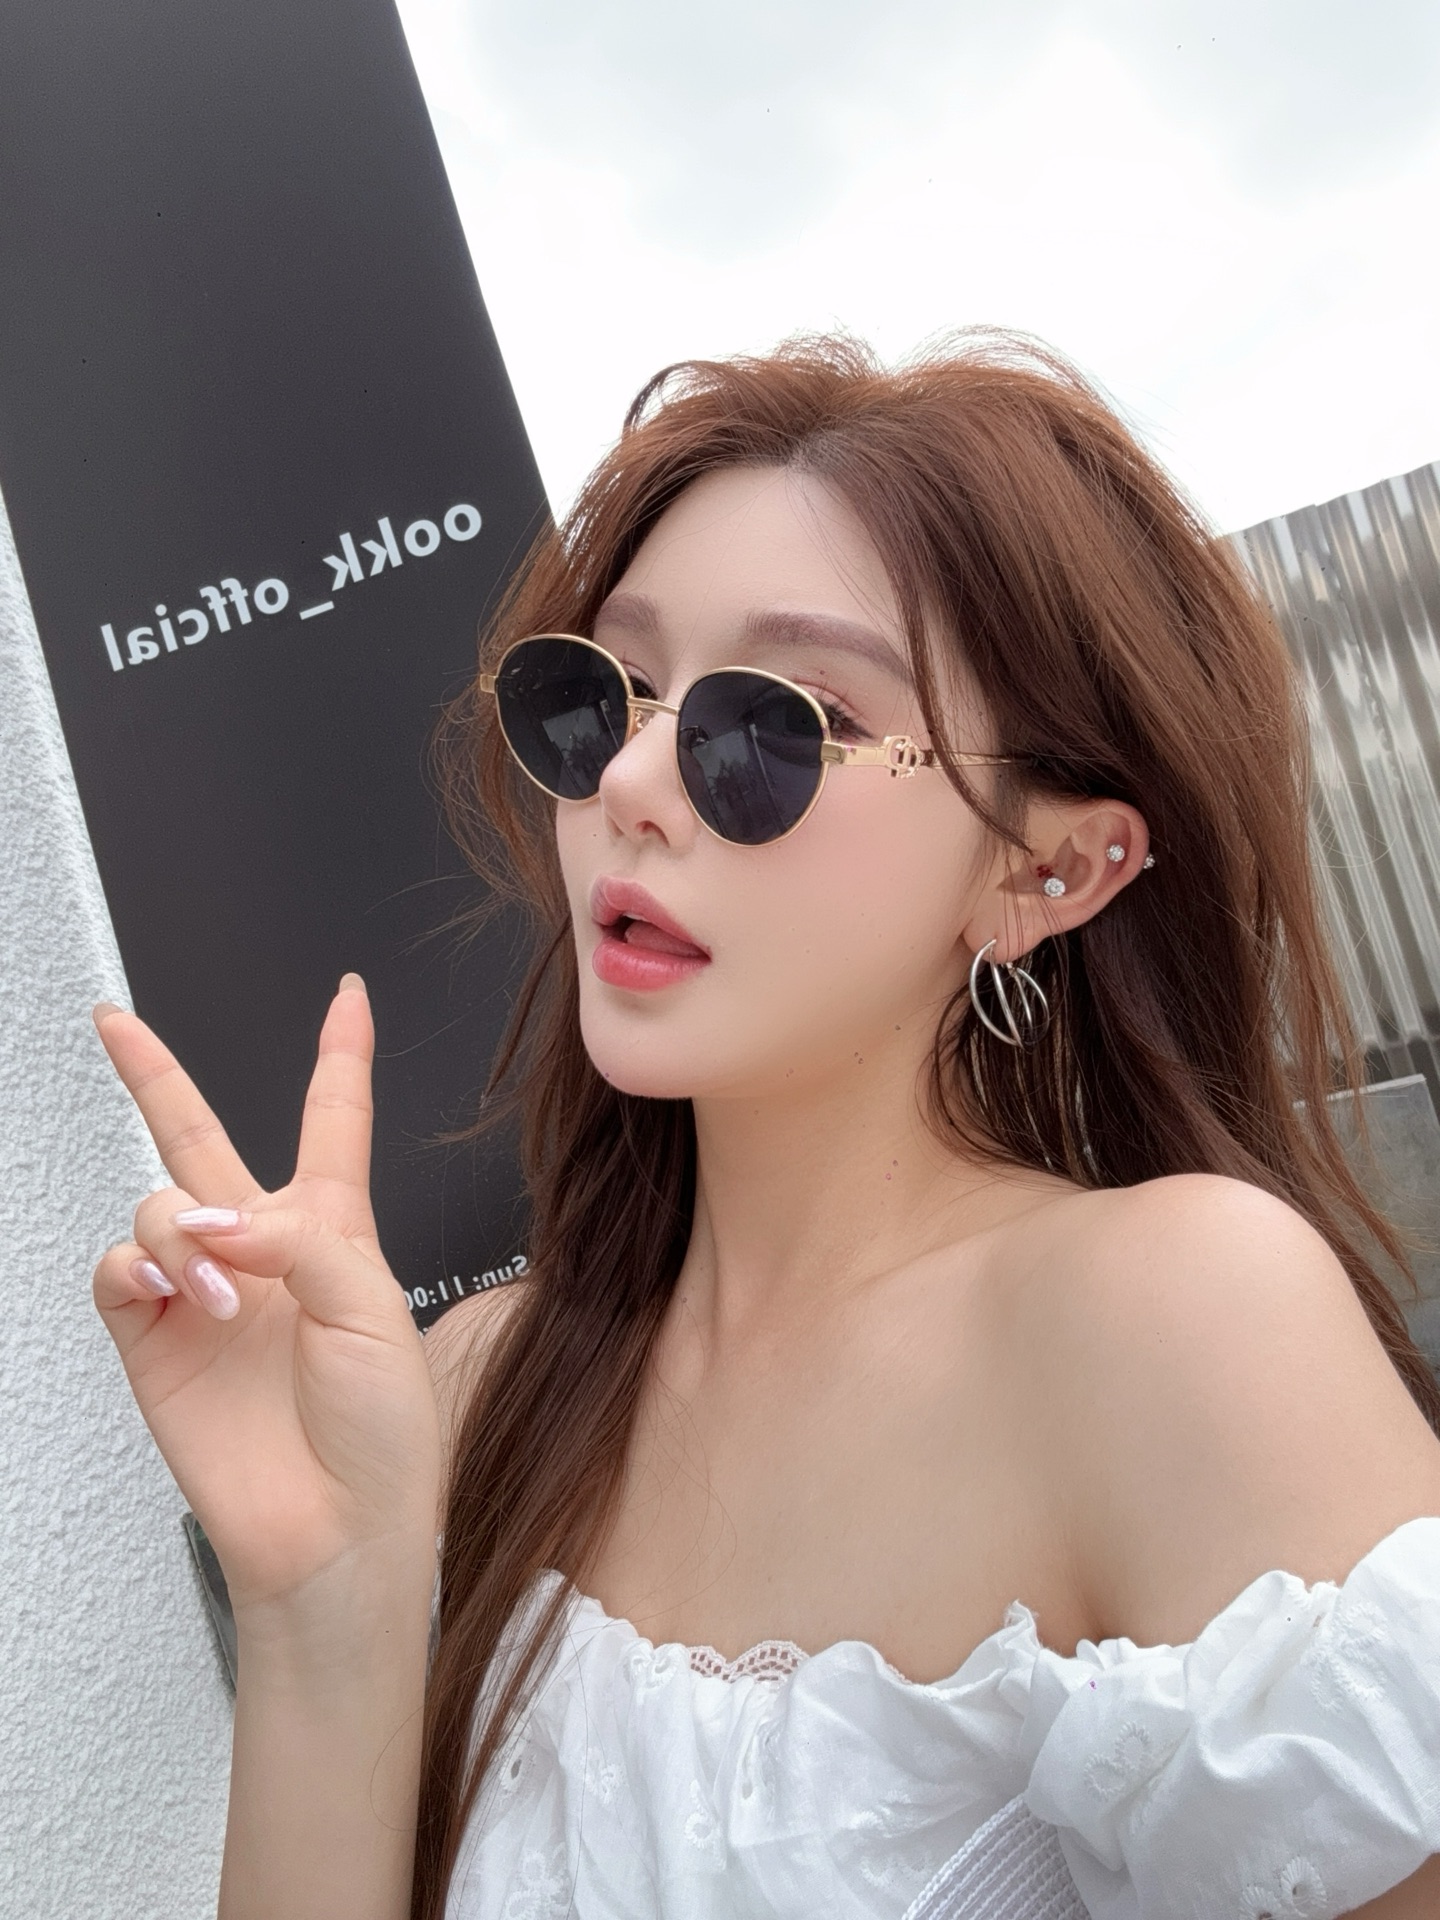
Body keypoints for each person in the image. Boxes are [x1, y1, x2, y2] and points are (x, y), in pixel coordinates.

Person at [91, 332, 1440, 1920]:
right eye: (599, 698)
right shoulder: (475, 1383)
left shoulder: (1173, 1313)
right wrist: (324, 1602)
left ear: (1049, 870)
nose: (632, 784)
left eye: (773, 727)